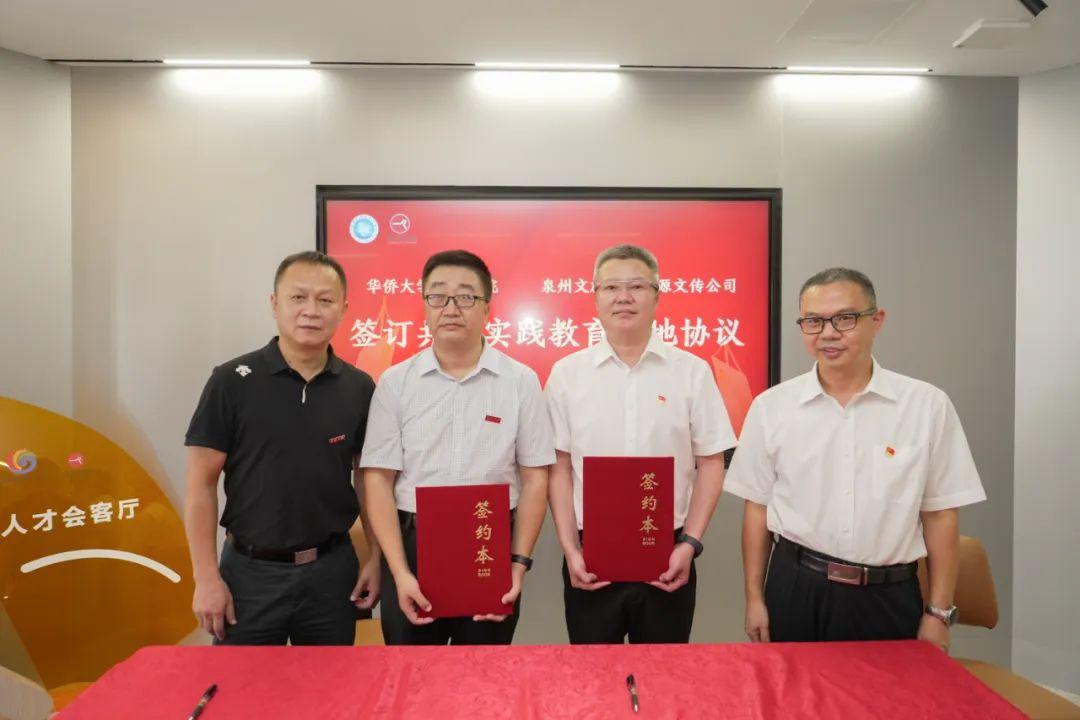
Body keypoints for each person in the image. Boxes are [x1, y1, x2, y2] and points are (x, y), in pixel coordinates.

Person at [725, 267, 986, 651]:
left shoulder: (926, 406)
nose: (828, 333)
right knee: (794, 690)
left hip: (888, 595)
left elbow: (940, 515)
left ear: (876, 320)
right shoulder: (772, 407)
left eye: (845, 318)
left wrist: (938, 613)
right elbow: (757, 510)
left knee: (888, 691)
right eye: (813, 321)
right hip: (796, 587)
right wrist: (754, 598)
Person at [184, 250, 379, 645]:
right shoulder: (231, 381)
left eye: (325, 300)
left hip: (332, 573)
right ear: (275, 304)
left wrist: (375, 558)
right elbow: (200, 484)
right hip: (249, 574)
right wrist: (205, 578)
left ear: (343, 310)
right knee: (245, 685)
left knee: (332, 683)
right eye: (298, 297)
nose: (311, 311)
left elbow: (368, 481)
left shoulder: (359, 387)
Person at [360, 249, 553, 645]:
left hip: (490, 543)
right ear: (424, 305)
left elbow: (536, 478)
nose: (450, 308)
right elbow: (378, 478)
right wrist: (399, 572)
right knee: (412, 676)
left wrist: (517, 566)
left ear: (486, 308)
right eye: (438, 296)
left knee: (482, 675)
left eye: (465, 296)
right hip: (412, 548)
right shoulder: (396, 382)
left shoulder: (520, 381)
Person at [545, 244, 736, 644]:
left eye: (636, 286)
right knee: (594, 673)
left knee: (664, 673)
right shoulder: (567, 374)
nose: (624, 297)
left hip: (669, 552)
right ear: (595, 297)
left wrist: (690, 544)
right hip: (590, 554)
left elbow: (711, 462)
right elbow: (559, 466)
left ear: (656, 296)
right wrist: (570, 549)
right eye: (611, 287)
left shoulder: (692, 372)